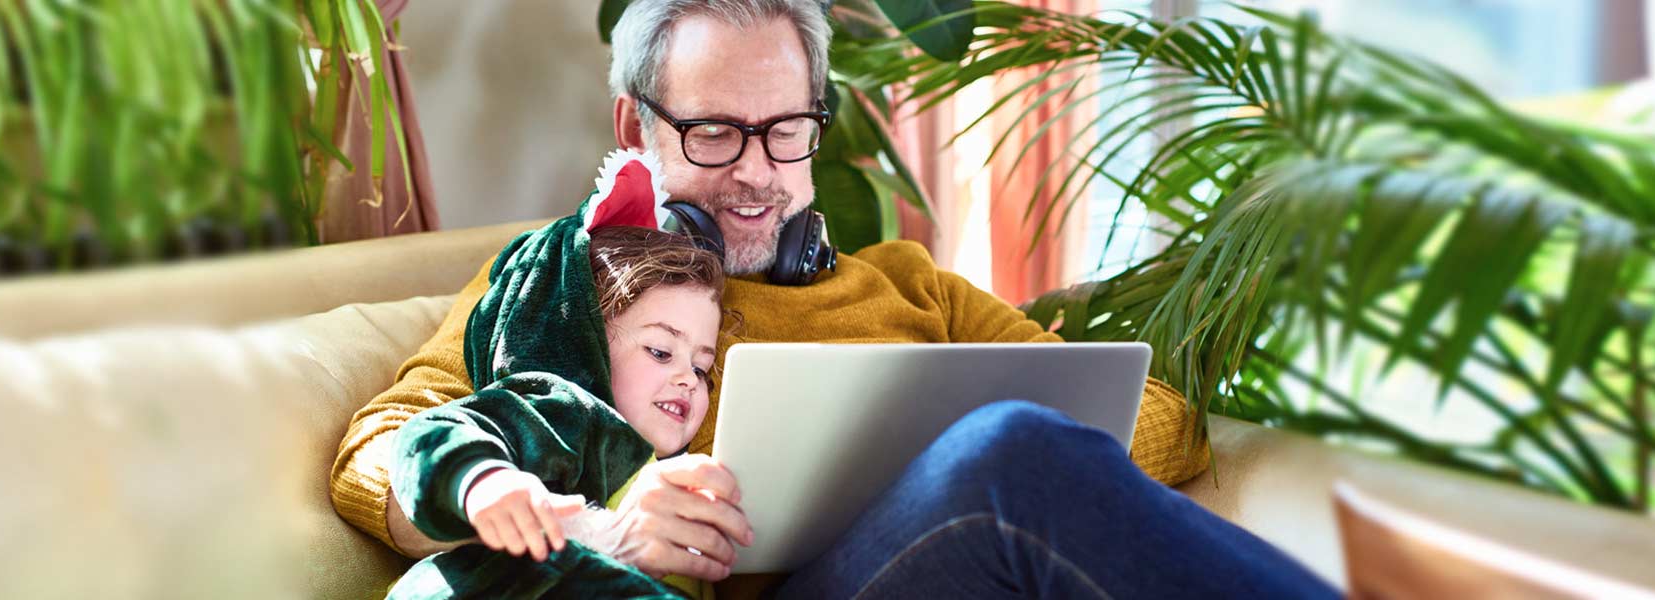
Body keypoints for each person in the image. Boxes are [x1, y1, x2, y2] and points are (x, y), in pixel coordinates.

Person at [334, 0, 1337, 597]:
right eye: (716, 133)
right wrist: (591, 519)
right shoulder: (575, 279)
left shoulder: (910, 285)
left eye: (786, 131)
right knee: (1008, 457)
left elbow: (1165, 425)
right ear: (634, 125)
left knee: (1006, 449)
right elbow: (378, 453)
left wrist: (910, 447)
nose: (758, 173)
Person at [385, 190, 730, 598]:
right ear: (588, 346)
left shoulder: (676, 469)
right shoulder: (561, 409)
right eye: (660, 351)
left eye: (700, 369)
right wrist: (484, 480)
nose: (688, 379)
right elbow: (432, 433)